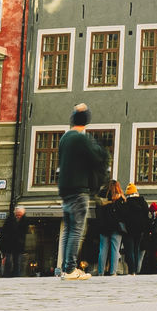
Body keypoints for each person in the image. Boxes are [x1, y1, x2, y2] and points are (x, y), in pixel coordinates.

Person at [58, 103, 108, 280]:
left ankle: (64, 268)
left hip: (65, 189)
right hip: (79, 189)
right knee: (76, 230)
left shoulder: (65, 138)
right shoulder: (81, 139)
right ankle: (71, 269)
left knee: (68, 230)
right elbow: (98, 157)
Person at [96, 180, 125, 276]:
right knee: (115, 250)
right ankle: (113, 272)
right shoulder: (120, 198)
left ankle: (100, 272)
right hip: (116, 227)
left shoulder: (102, 197)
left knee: (102, 250)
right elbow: (123, 214)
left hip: (103, 227)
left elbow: (98, 212)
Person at [121, 184, 149, 275]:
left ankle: (132, 270)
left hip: (129, 230)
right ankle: (136, 270)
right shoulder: (143, 202)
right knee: (136, 250)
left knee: (129, 251)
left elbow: (123, 216)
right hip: (140, 230)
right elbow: (146, 216)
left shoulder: (127, 203)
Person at [0, 206, 29, 278]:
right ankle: (7, 275)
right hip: (9, 244)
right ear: (15, 213)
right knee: (8, 261)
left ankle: (16, 275)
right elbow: (4, 231)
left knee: (17, 261)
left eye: (20, 214)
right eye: (17, 214)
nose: (18, 216)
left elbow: (24, 234)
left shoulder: (25, 221)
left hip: (18, 245)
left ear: (23, 214)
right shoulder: (10, 219)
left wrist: (22, 244)